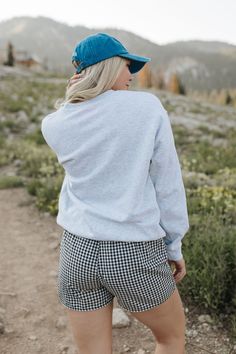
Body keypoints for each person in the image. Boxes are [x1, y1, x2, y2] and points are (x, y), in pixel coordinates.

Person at [41, 32, 189, 354]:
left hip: (77, 252)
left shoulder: (54, 124)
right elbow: (167, 182)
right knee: (171, 337)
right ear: (107, 68)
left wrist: (73, 99)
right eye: (126, 66)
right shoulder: (147, 108)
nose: (132, 76)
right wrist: (173, 244)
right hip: (133, 251)